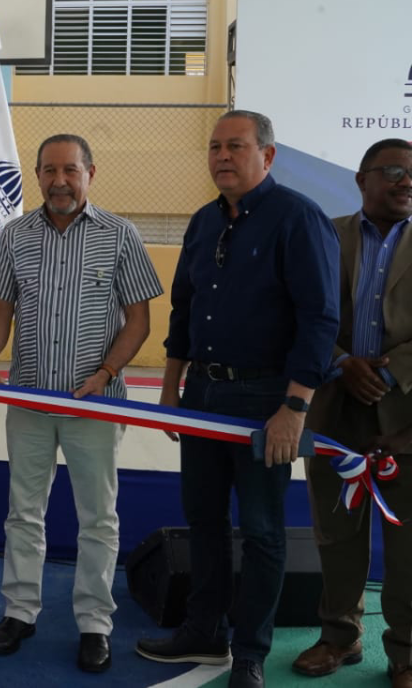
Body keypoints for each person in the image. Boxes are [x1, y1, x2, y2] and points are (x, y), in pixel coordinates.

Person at [136, 110, 340, 688]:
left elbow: (320, 318)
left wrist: (294, 408)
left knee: (262, 530)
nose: (222, 156)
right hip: (201, 393)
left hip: (266, 399)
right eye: (215, 147)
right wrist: (171, 389)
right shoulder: (204, 222)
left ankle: (249, 652)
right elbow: (183, 307)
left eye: (236, 146)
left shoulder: (298, 218)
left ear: (267, 156)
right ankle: (203, 631)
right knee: (202, 519)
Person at [0, 134, 162, 672]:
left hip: (96, 406)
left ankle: (95, 623)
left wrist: (106, 373)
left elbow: (139, 319)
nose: (59, 181)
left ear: (90, 174)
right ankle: (19, 611)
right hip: (29, 401)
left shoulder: (120, 235)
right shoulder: (16, 235)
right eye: (49, 171)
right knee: (23, 514)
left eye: (70, 170)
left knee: (97, 518)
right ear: (36, 175)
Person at [293, 138, 412, 688]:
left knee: (407, 541)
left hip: (405, 416)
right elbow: (297, 311)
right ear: (362, 180)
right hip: (333, 409)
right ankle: (339, 636)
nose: (406, 182)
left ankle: (406, 651)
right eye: (393, 171)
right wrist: (341, 363)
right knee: (336, 534)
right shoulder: (325, 234)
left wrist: (390, 372)